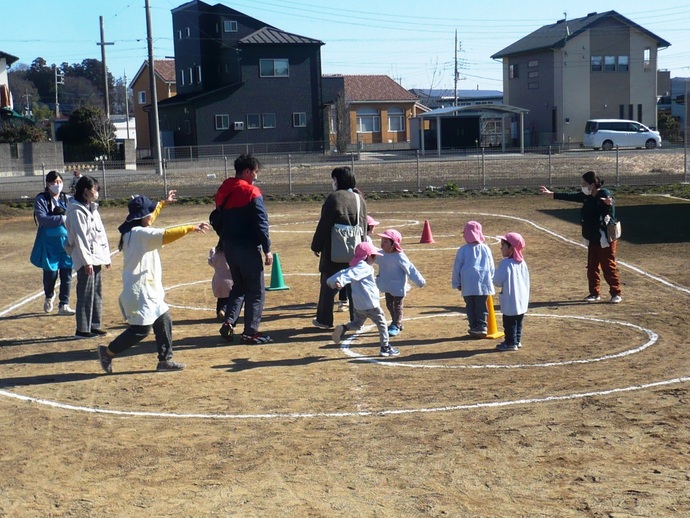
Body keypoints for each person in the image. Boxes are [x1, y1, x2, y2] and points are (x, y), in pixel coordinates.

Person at [97, 192, 209, 374]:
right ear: (142, 216)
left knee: (164, 318)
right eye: (149, 212)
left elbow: (149, 218)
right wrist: (191, 228)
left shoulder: (133, 230)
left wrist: (162, 204)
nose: (152, 215)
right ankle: (108, 351)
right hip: (139, 292)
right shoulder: (141, 234)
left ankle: (165, 360)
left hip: (149, 290)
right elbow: (166, 234)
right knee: (141, 331)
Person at [214, 154, 273, 344]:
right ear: (247, 171)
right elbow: (261, 223)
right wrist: (267, 249)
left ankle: (229, 322)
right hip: (248, 247)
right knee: (256, 291)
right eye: (255, 172)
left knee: (238, 287)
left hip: (229, 246)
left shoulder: (224, 189)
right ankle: (250, 332)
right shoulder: (252, 192)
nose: (256, 176)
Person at [539, 171, 622, 304]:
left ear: (593, 184)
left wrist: (609, 203)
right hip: (592, 236)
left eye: (584, 184)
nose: (582, 186)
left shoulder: (603, 194)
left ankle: (615, 292)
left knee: (608, 265)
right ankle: (594, 293)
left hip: (604, 237)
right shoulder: (586, 196)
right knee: (592, 266)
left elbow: (609, 208)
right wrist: (552, 194)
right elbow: (571, 196)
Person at [310, 166, 367, 329]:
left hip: (333, 250)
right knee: (354, 286)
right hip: (355, 250)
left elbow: (324, 225)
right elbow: (363, 224)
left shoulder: (334, 198)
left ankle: (324, 320)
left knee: (328, 284)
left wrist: (316, 245)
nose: (332, 183)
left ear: (338, 180)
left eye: (334, 179)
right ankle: (357, 320)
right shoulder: (359, 199)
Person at [328, 242, 399, 357]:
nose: (375, 259)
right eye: (374, 256)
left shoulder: (356, 266)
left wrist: (332, 281)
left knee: (357, 324)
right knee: (382, 325)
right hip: (371, 304)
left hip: (359, 305)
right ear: (368, 256)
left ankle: (344, 328)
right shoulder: (364, 267)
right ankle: (385, 347)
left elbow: (345, 272)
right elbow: (349, 274)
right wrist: (341, 281)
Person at [65, 175, 111, 338]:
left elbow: (100, 234)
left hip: (97, 256)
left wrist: (106, 257)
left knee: (96, 292)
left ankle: (94, 325)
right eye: (95, 189)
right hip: (85, 259)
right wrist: (86, 262)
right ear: (85, 191)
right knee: (85, 292)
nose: (97, 192)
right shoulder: (76, 211)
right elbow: (80, 238)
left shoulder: (93, 208)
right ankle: (82, 329)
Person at [30, 170, 75, 316]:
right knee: (50, 273)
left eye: (60, 182)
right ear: (48, 184)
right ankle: (49, 295)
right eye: (54, 182)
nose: (57, 185)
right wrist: (61, 218)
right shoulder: (41, 199)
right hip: (49, 242)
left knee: (67, 273)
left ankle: (64, 304)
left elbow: (75, 215)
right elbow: (43, 219)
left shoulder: (67, 198)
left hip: (67, 241)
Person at [376, 228, 426, 336]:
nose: (382, 244)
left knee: (397, 306)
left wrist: (419, 281)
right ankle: (397, 322)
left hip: (398, 287)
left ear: (394, 244)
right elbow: (369, 256)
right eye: (382, 241)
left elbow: (410, 269)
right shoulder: (380, 254)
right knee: (389, 305)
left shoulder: (399, 256)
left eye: (386, 242)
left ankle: (396, 324)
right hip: (386, 286)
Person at [451, 220, 495, 338]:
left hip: (467, 282)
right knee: (481, 305)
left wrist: (457, 282)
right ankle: (482, 326)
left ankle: (473, 326)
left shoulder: (463, 249)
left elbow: (457, 267)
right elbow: (491, 267)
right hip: (483, 282)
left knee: (470, 305)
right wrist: (491, 279)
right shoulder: (486, 248)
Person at [493, 232, 530, 351]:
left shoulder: (505, 263)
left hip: (510, 299)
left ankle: (510, 343)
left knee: (509, 322)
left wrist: (492, 273)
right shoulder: (522, 263)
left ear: (511, 248)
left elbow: (497, 281)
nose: (501, 247)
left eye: (503, 245)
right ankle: (517, 340)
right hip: (522, 298)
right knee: (518, 321)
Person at [337, 214, 379, 312]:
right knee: (353, 283)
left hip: (353, 263)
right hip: (359, 265)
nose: (374, 228)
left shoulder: (361, 236)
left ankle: (344, 300)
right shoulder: (366, 239)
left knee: (348, 280)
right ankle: (345, 302)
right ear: (366, 226)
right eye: (372, 226)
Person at [208, 239, 233, 321]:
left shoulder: (216, 255)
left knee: (220, 298)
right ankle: (224, 310)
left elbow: (210, 262)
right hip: (230, 280)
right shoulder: (230, 254)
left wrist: (212, 253)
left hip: (218, 281)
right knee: (229, 299)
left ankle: (219, 312)